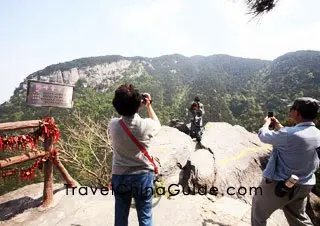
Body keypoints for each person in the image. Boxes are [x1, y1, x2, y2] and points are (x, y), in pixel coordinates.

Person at [251, 97, 320, 226]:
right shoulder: (317, 134)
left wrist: (266, 124)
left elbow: (263, 136)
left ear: (297, 113)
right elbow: (294, 139)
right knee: (298, 218)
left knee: (258, 210)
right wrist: (278, 126)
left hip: (280, 184)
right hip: (305, 184)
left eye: (292, 108)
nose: (290, 110)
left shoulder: (289, 134)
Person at [109, 84, 161, 226]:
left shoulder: (113, 125)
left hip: (120, 175)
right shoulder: (147, 125)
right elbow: (157, 124)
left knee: (120, 216)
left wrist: (135, 105)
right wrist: (148, 105)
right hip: (143, 176)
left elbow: (123, 116)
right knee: (145, 216)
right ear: (138, 106)